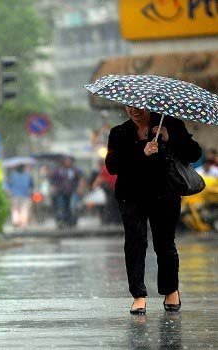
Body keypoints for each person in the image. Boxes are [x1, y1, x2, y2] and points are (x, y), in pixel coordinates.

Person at [106, 105, 201, 315]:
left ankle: (170, 290)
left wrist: (170, 139)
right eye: (129, 107)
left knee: (165, 243)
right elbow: (112, 165)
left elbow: (194, 154)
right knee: (135, 243)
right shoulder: (119, 132)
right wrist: (142, 151)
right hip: (131, 196)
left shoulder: (171, 125)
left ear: (150, 106)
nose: (134, 111)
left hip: (164, 193)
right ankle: (138, 295)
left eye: (139, 107)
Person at [50, 157, 82, 228]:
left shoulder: (74, 170)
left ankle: (71, 221)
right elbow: (52, 179)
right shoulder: (58, 170)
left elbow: (79, 179)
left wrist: (79, 187)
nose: (68, 163)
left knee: (71, 206)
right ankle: (60, 220)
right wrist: (53, 186)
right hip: (60, 191)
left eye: (69, 161)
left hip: (72, 190)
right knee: (61, 206)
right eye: (66, 161)